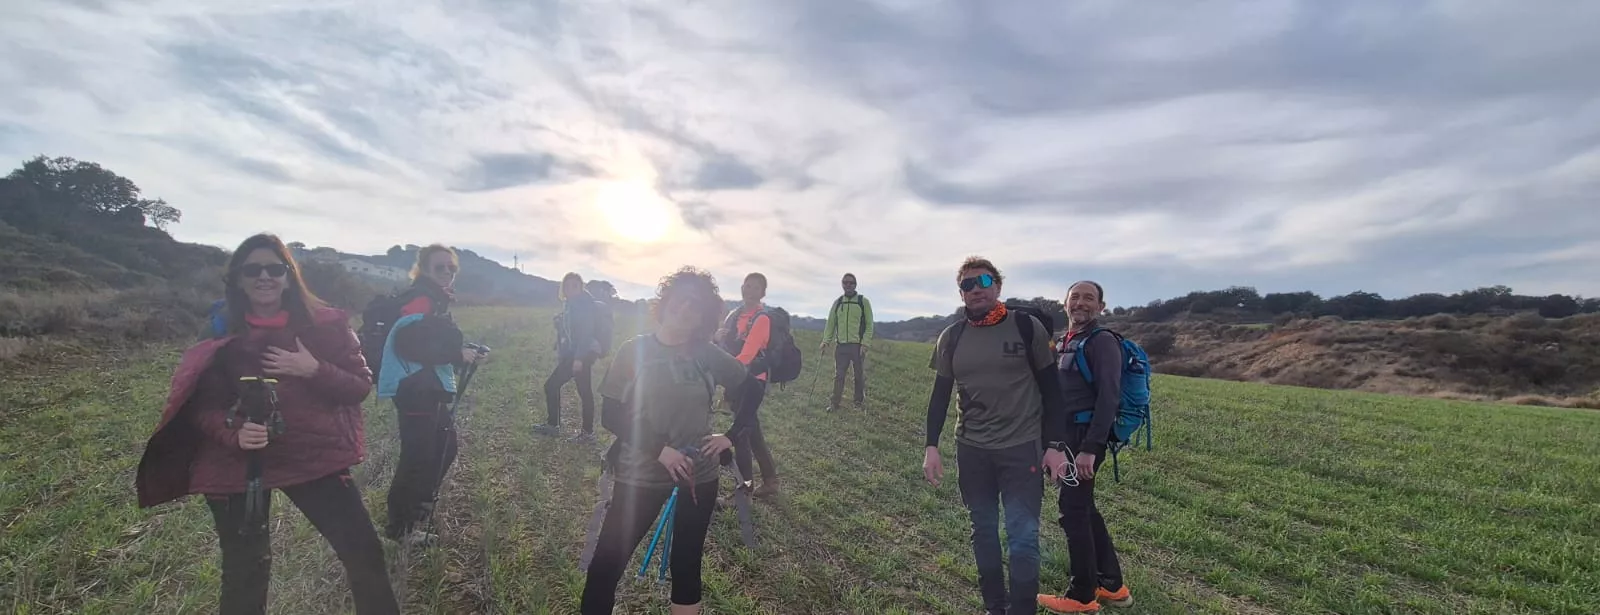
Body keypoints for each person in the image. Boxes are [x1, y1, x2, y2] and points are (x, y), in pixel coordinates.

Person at [134, 233, 400, 614]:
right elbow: (201, 404)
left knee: (363, 552)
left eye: (275, 269)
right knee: (246, 572)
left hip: (311, 452)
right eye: (253, 269)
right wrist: (234, 432)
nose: (265, 277)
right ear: (238, 278)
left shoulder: (325, 324)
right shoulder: (219, 330)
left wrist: (313, 369)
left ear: (290, 276)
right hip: (237, 461)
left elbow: (358, 385)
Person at [580, 266, 749, 615]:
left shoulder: (705, 352)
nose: (686, 308)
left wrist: (729, 436)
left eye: (697, 305)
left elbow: (751, 388)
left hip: (698, 476)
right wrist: (660, 450)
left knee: (686, 564)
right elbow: (611, 415)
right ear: (666, 299)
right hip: (639, 474)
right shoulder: (635, 350)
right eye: (682, 299)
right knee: (606, 566)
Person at [923, 256, 1069, 615]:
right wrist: (931, 445)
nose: (975, 290)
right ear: (961, 293)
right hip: (971, 450)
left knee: (1022, 536)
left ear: (997, 286)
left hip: (1021, 449)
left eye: (982, 282)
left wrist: (1055, 446)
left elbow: (1053, 391)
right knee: (984, 531)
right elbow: (940, 395)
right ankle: (994, 607)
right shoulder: (951, 337)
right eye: (967, 285)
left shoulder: (1026, 327)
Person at [377, 243, 483, 545]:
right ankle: (401, 526)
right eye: (440, 268)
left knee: (442, 448)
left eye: (452, 269)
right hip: (415, 390)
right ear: (423, 269)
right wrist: (455, 352)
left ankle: (417, 509)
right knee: (418, 456)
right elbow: (410, 343)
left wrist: (463, 353)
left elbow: (428, 341)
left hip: (425, 387)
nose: (448, 273)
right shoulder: (421, 299)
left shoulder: (434, 299)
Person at [1038, 281, 1133, 613]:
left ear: (1101, 307)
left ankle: (1082, 596)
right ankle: (1113, 586)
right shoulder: (1065, 341)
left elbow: (1110, 397)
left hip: (1083, 440)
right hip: (1067, 438)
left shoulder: (1102, 342)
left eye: (1088, 298)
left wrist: (1090, 448)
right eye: (1074, 297)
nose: (1080, 303)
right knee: (1084, 509)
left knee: (1073, 512)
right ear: (1065, 304)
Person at [715, 272, 780, 499]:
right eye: (747, 286)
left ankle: (745, 488)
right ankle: (770, 480)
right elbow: (723, 348)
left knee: (741, 434)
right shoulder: (734, 315)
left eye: (756, 288)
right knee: (752, 432)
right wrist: (717, 338)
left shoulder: (762, 319)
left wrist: (723, 370)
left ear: (762, 293)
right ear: (742, 287)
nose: (750, 291)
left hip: (752, 383)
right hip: (736, 380)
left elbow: (747, 355)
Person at [536, 272, 601, 442]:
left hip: (580, 355)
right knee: (584, 392)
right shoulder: (571, 304)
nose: (570, 289)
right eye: (567, 286)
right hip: (577, 354)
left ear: (581, 287)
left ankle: (556, 426)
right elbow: (572, 331)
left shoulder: (583, 305)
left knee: (552, 386)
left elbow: (586, 334)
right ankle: (586, 433)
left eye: (575, 286)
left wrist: (578, 359)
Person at [820, 272, 874, 412]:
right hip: (841, 345)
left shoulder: (863, 301)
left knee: (858, 375)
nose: (848, 285)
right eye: (845, 282)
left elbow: (869, 324)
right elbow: (831, 323)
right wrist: (826, 341)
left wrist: (865, 343)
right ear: (842, 284)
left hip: (858, 346)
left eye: (851, 283)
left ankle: (858, 402)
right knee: (839, 375)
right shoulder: (838, 303)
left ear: (855, 285)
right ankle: (834, 403)